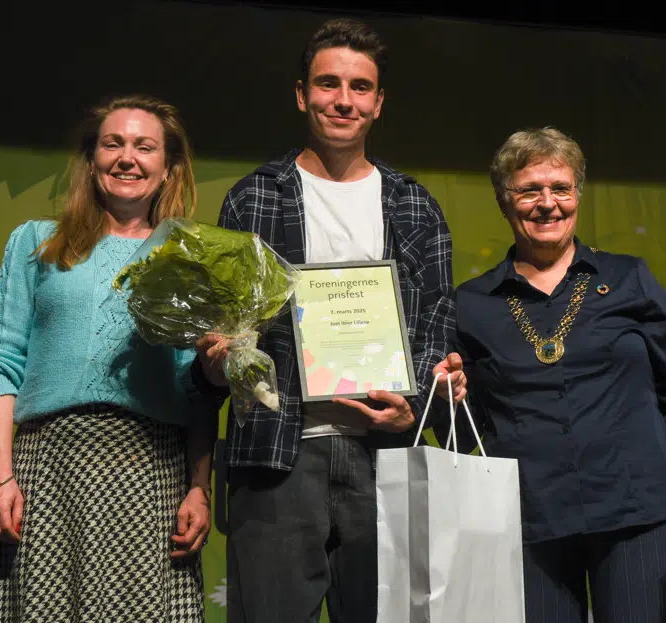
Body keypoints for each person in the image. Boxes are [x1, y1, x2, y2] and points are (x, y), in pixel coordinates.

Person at [194, 18, 455, 623]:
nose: (343, 100)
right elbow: (225, 333)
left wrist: (415, 402)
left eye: (360, 87)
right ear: (301, 94)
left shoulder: (415, 205)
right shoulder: (253, 197)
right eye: (328, 83)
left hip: (384, 457)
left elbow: (438, 323)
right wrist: (217, 359)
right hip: (277, 456)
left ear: (378, 102)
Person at [433, 127, 666, 622]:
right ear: (504, 202)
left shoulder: (630, 279)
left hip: (639, 516)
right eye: (530, 190)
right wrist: (450, 401)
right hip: (528, 526)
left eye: (561, 188)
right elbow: (469, 438)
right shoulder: (471, 305)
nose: (548, 204)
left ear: (578, 195)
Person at [0, 94, 216, 622]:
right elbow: (0, 360)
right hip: (47, 472)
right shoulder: (36, 243)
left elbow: (196, 389)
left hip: (150, 470)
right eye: (113, 144)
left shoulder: (186, 261)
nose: (127, 158)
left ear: (168, 167)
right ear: (91, 159)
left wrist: (200, 487)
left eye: (145, 147)